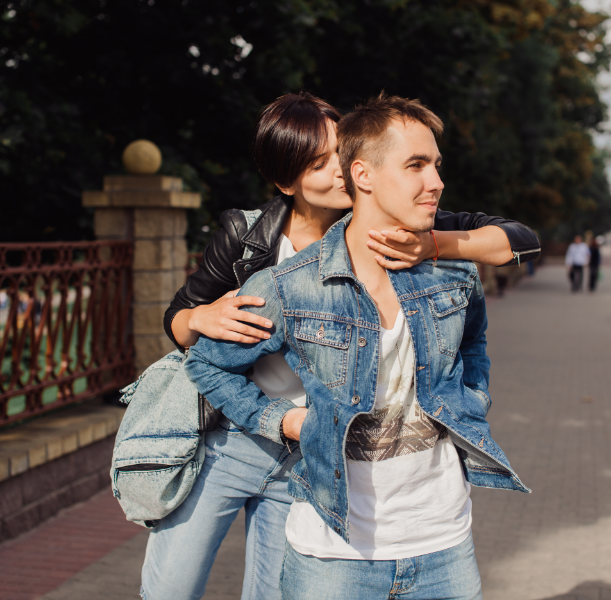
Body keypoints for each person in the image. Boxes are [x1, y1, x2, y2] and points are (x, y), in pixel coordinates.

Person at [141, 92, 541, 600]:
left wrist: (436, 246)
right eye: (318, 162)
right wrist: (201, 316)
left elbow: (514, 245)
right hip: (240, 439)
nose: (337, 171)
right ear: (288, 182)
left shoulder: (413, 229)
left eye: (339, 153)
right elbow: (183, 328)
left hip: (315, 457)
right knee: (170, 589)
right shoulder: (257, 248)